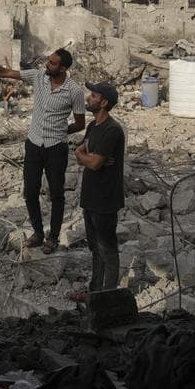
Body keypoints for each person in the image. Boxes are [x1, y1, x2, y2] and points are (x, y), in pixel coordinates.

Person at [0, 49, 86, 251]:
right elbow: (5, 73)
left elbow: (80, 124)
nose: (47, 65)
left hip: (56, 148)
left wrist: (61, 130)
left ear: (63, 68)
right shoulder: (38, 77)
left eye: (52, 63)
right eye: (48, 61)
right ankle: (37, 232)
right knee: (30, 191)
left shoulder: (74, 91)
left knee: (56, 195)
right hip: (34, 144)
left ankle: (52, 238)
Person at [73, 81, 126, 295]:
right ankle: (95, 290)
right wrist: (86, 157)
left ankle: (109, 292)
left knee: (107, 248)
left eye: (93, 96)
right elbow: (81, 153)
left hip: (106, 198)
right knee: (95, 247)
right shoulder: (92, 127)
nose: (88, 98)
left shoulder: (112, 130)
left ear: (104, 102)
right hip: (91, 196)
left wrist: (88, 158)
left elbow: (94, 163)